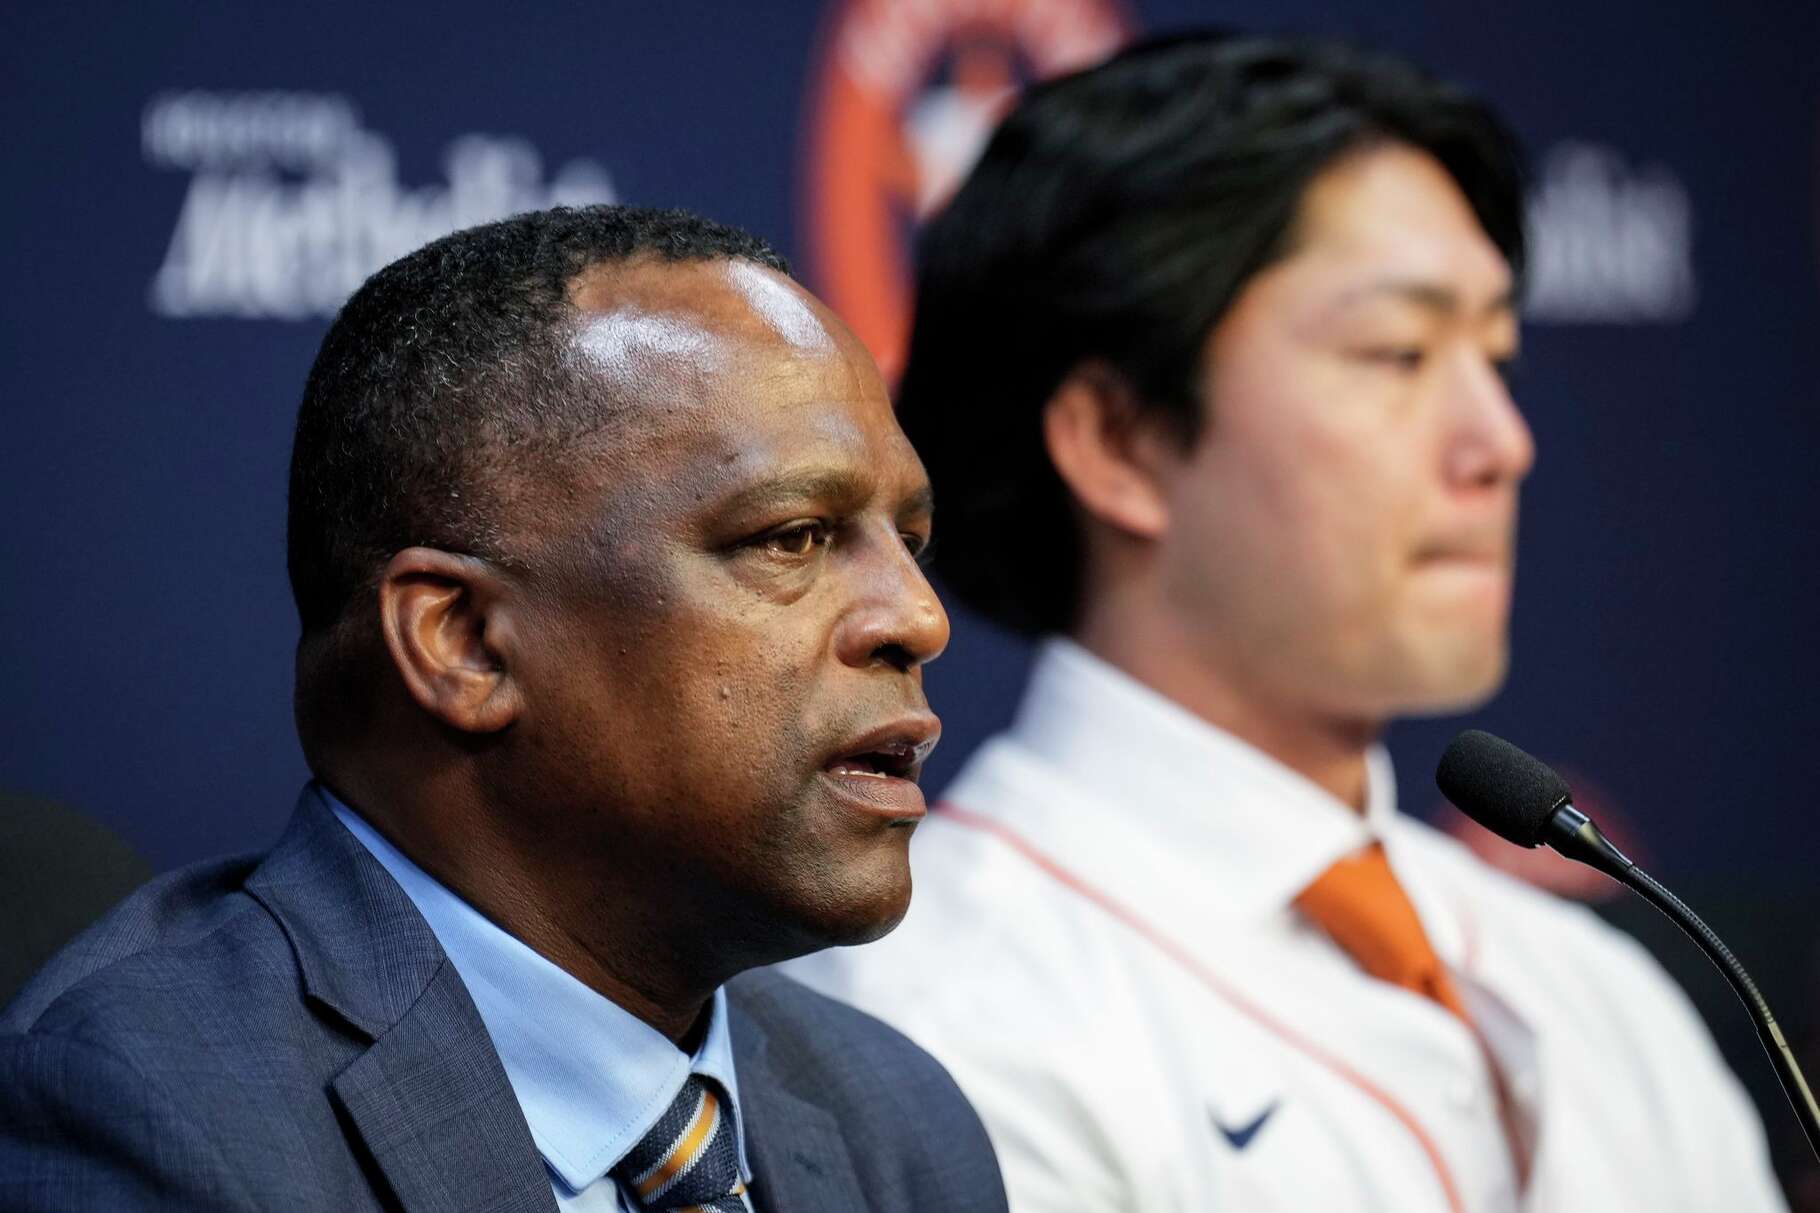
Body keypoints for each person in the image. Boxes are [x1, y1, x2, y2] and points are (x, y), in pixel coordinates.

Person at [782, 32, 1787, 1211]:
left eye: (1498, 354)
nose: (1499, 442)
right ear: (1120, 440)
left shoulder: (1599, 992)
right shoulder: (920, 1021)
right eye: (1398, 353)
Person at [0, 206, 1007, 1213]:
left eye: (907, 543)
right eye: (792, 536)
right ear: (466, 643)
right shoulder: (156, 1116)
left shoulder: (895, 1118)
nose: (917, 619)